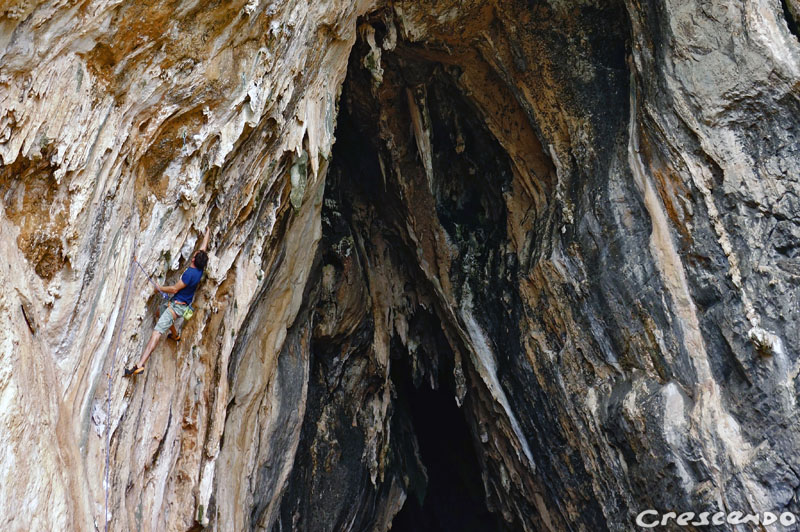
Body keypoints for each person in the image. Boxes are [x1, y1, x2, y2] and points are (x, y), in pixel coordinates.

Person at [124, 227, 210, 377]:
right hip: (178, 305)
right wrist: (207, 233)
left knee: (156, 332)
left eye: (194, 255)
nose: (194, 254)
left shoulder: (190, 274)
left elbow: (174, 289)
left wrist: (159, 288)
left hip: (176, 307)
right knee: (158, 312)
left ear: (194, 260)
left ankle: (140, 364)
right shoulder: (200, 270)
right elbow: (203, 248)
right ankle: (175, 335)